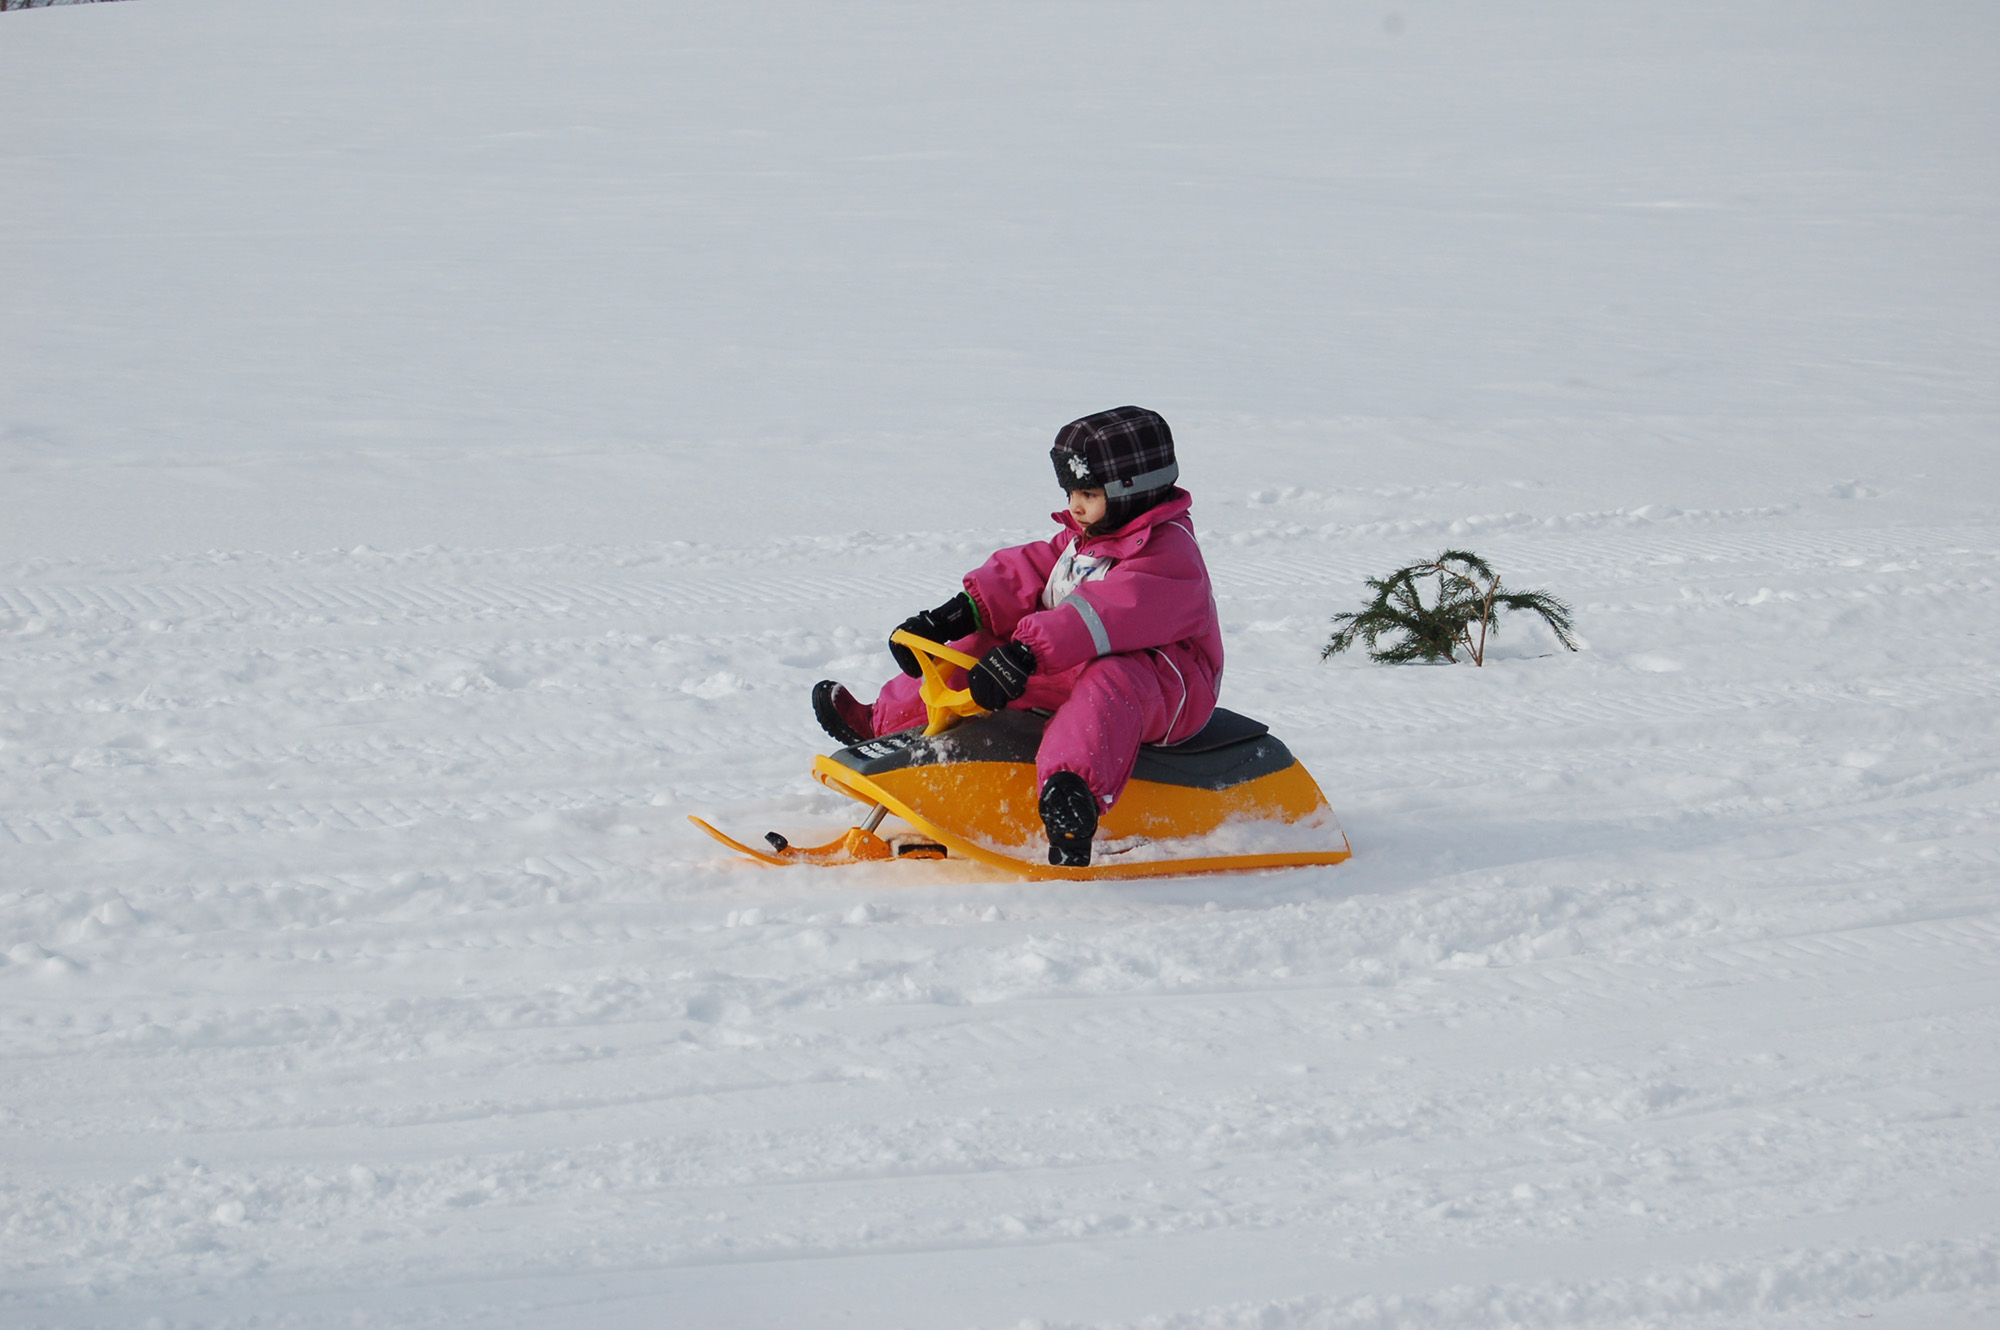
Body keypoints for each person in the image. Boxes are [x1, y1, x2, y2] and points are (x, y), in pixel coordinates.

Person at [811, 406, 1224, 866]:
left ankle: (1072, 796)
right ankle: (884, 726)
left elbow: (1108, 612)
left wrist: (1027, 651)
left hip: (1165, 686)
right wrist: (957, 616)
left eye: (1088, 492)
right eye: (1070, 492)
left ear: (1132, 491)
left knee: (1110, 682)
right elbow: (1027, 571)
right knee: (976, 650)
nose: (1075, 505)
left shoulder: (1171, 555)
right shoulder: (1086, 536)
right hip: (1072, 658)